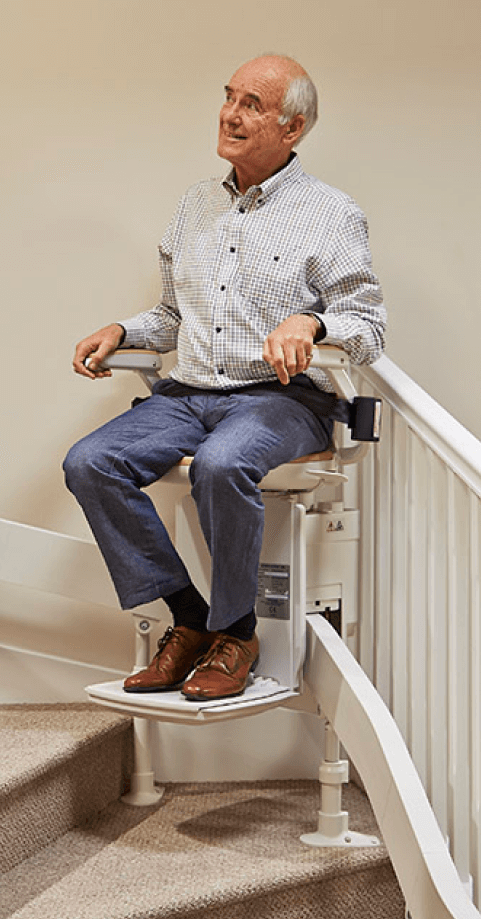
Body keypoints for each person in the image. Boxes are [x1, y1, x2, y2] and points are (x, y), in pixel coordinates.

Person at [63, 55, 386, 701]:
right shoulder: (195, 205)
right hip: (187, 394)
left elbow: (368, 327)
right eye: (229, 97)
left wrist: (311, 323)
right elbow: (173, 315)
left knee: (221, 464)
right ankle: (190, 620)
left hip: (280, 399)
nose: (230, 114)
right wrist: (123, 331)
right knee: (90, 463)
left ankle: (236, 634)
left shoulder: (331, 212)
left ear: (292, 128)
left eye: (251, 105)